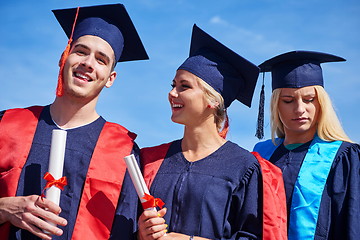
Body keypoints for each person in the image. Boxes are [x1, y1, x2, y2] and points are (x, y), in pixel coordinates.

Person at [0, 3, 148, 240]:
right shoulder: (7, 125)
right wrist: (4, 209)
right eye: (80, 51)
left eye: (101, 59)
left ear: (110, 78)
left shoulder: (123, 151)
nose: (88, 63)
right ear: (64, 57)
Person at [137, 24, 287, 240]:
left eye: (184, 86)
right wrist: (141, 233)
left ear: (213, 101)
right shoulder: (152, 161)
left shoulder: (244, 167)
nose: (172, 93)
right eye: (173, 84)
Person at [253, 50, 360, 240]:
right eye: (288, 100)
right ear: (276, 105)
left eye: (309, 100)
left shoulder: (344, 158)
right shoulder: (260, 156)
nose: (300, 109)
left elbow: (352, 224)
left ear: (321, 103)